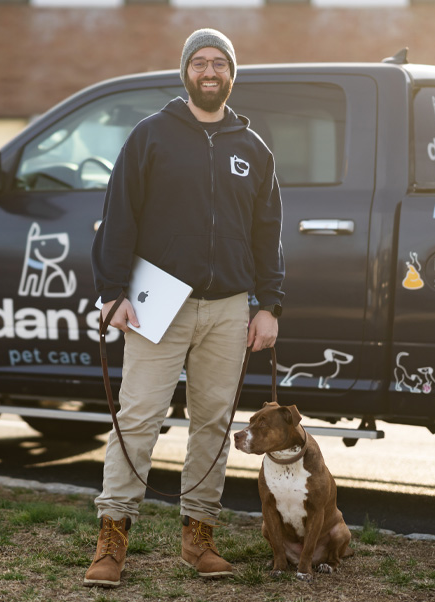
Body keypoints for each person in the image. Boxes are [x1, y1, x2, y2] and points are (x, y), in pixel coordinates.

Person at [85, 28, 285, 588]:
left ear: (232, 73)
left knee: (214, 425)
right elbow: (118, 216)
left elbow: (268, 233)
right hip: (159, 304)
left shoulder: (254, 149)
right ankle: (111, 540)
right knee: (138, 419)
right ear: (185, 72)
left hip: (228, 308)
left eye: (219, 63)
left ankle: (199, 537)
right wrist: (112, 293)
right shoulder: (150, 136)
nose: (210, 72)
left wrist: (268, 304)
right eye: (200, 62)